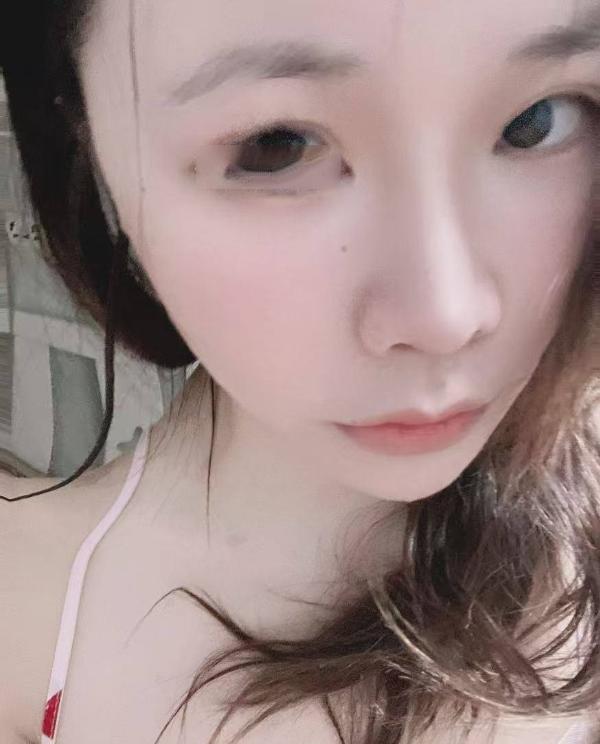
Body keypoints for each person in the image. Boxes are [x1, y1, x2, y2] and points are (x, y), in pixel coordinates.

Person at [1, 0, 600, 742]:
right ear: (84, 143)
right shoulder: (24, 607)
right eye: (276, 147)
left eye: (537, 120)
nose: (445, 316)